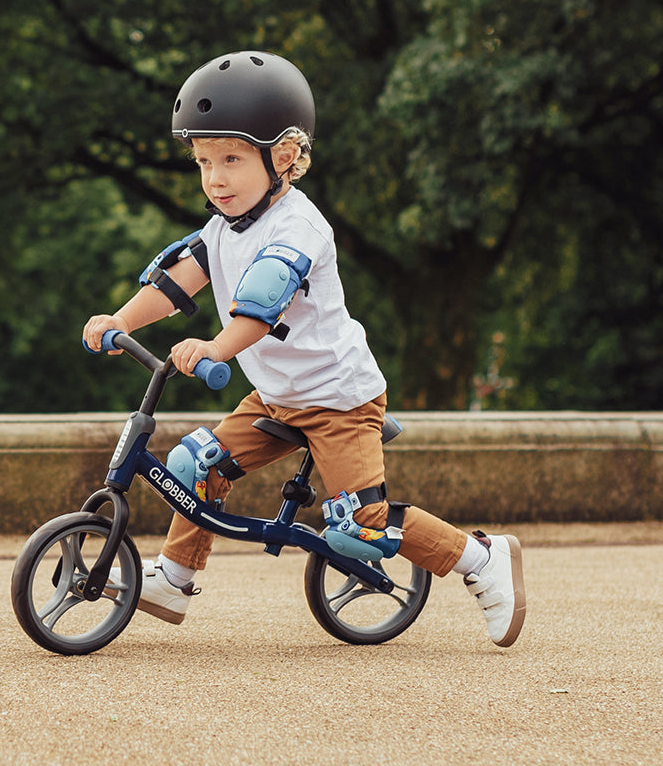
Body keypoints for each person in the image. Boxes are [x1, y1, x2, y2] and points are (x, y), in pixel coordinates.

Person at [82, 50, 526, 648]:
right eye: (204, 161)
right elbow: (174, 284)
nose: (215, 178)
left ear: (283, 157)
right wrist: (120, 320)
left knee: (356, 530)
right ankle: (175, 578)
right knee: (191, 468)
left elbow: (258, 313)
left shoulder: (298, 231)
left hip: (339, 400)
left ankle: (480, 556)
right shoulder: (222, 228)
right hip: (274, 398)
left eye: (232, 159)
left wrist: (214, 348)